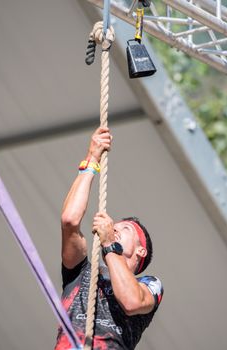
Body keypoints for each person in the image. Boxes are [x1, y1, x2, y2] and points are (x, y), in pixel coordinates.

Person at [55, 127, 163, 349]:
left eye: (126, 229)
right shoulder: (80, 273)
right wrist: (92, 159)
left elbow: (131, 302)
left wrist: (108, 244)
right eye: (115, 226)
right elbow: (69, 220)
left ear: (141, 251)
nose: (115, 228)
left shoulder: (149, 284)